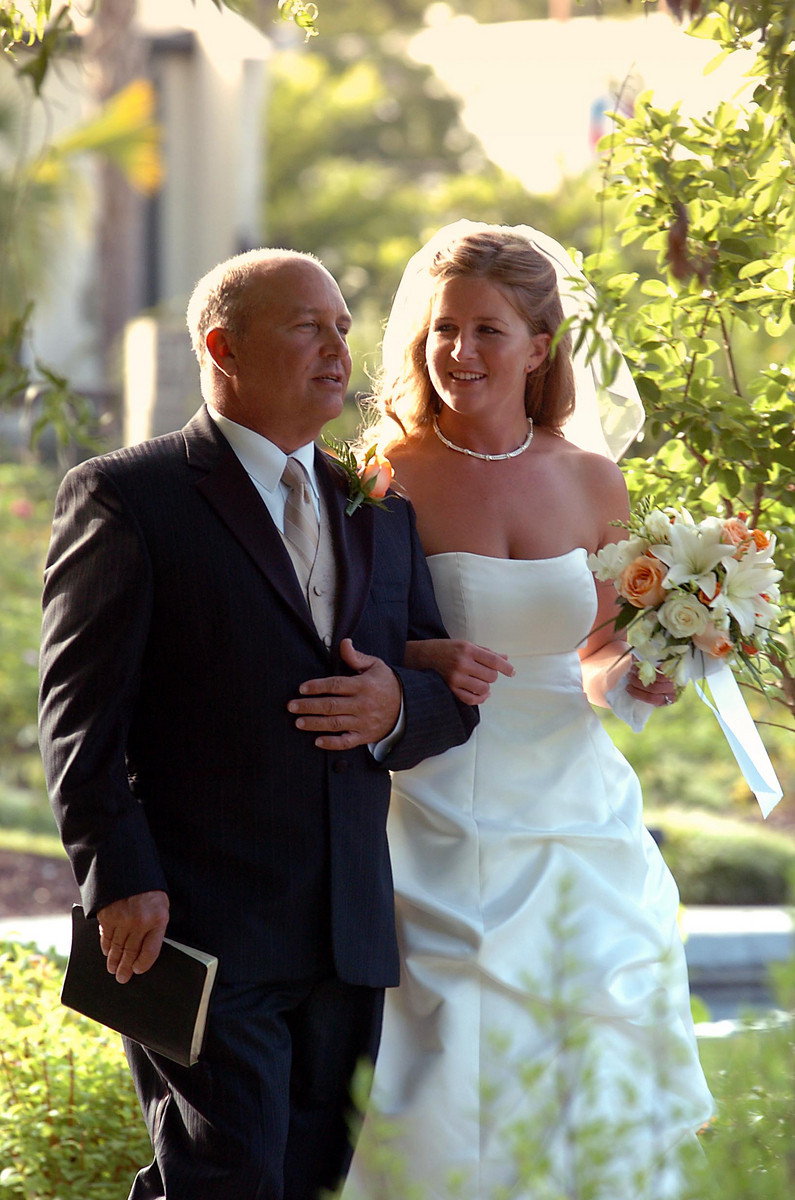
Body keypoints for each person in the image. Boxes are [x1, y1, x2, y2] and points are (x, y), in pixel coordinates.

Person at [37, 247, 479, 1200]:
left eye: (342, 330)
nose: (336, 348)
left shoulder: (377, 514)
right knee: (224, 1178)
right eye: (305, 326)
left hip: (348, 933)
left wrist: (398, 705)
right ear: (220, 346)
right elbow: (78, 719)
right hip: (196, 925)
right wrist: (121, 879)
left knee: (308, 1183)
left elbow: (447, 694)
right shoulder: (128, 495)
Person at [342, 223, 714, 1199]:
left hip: (576, 808)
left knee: (590, 1038)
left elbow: (591, 651)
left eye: (488, 331)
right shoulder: (387, 475)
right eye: (444, 329)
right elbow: (348, 635)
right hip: (436, 801)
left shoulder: (594, 480)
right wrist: (426, 653)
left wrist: (640, 676)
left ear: (540, 345)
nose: (460, 352)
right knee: (447, 1054)